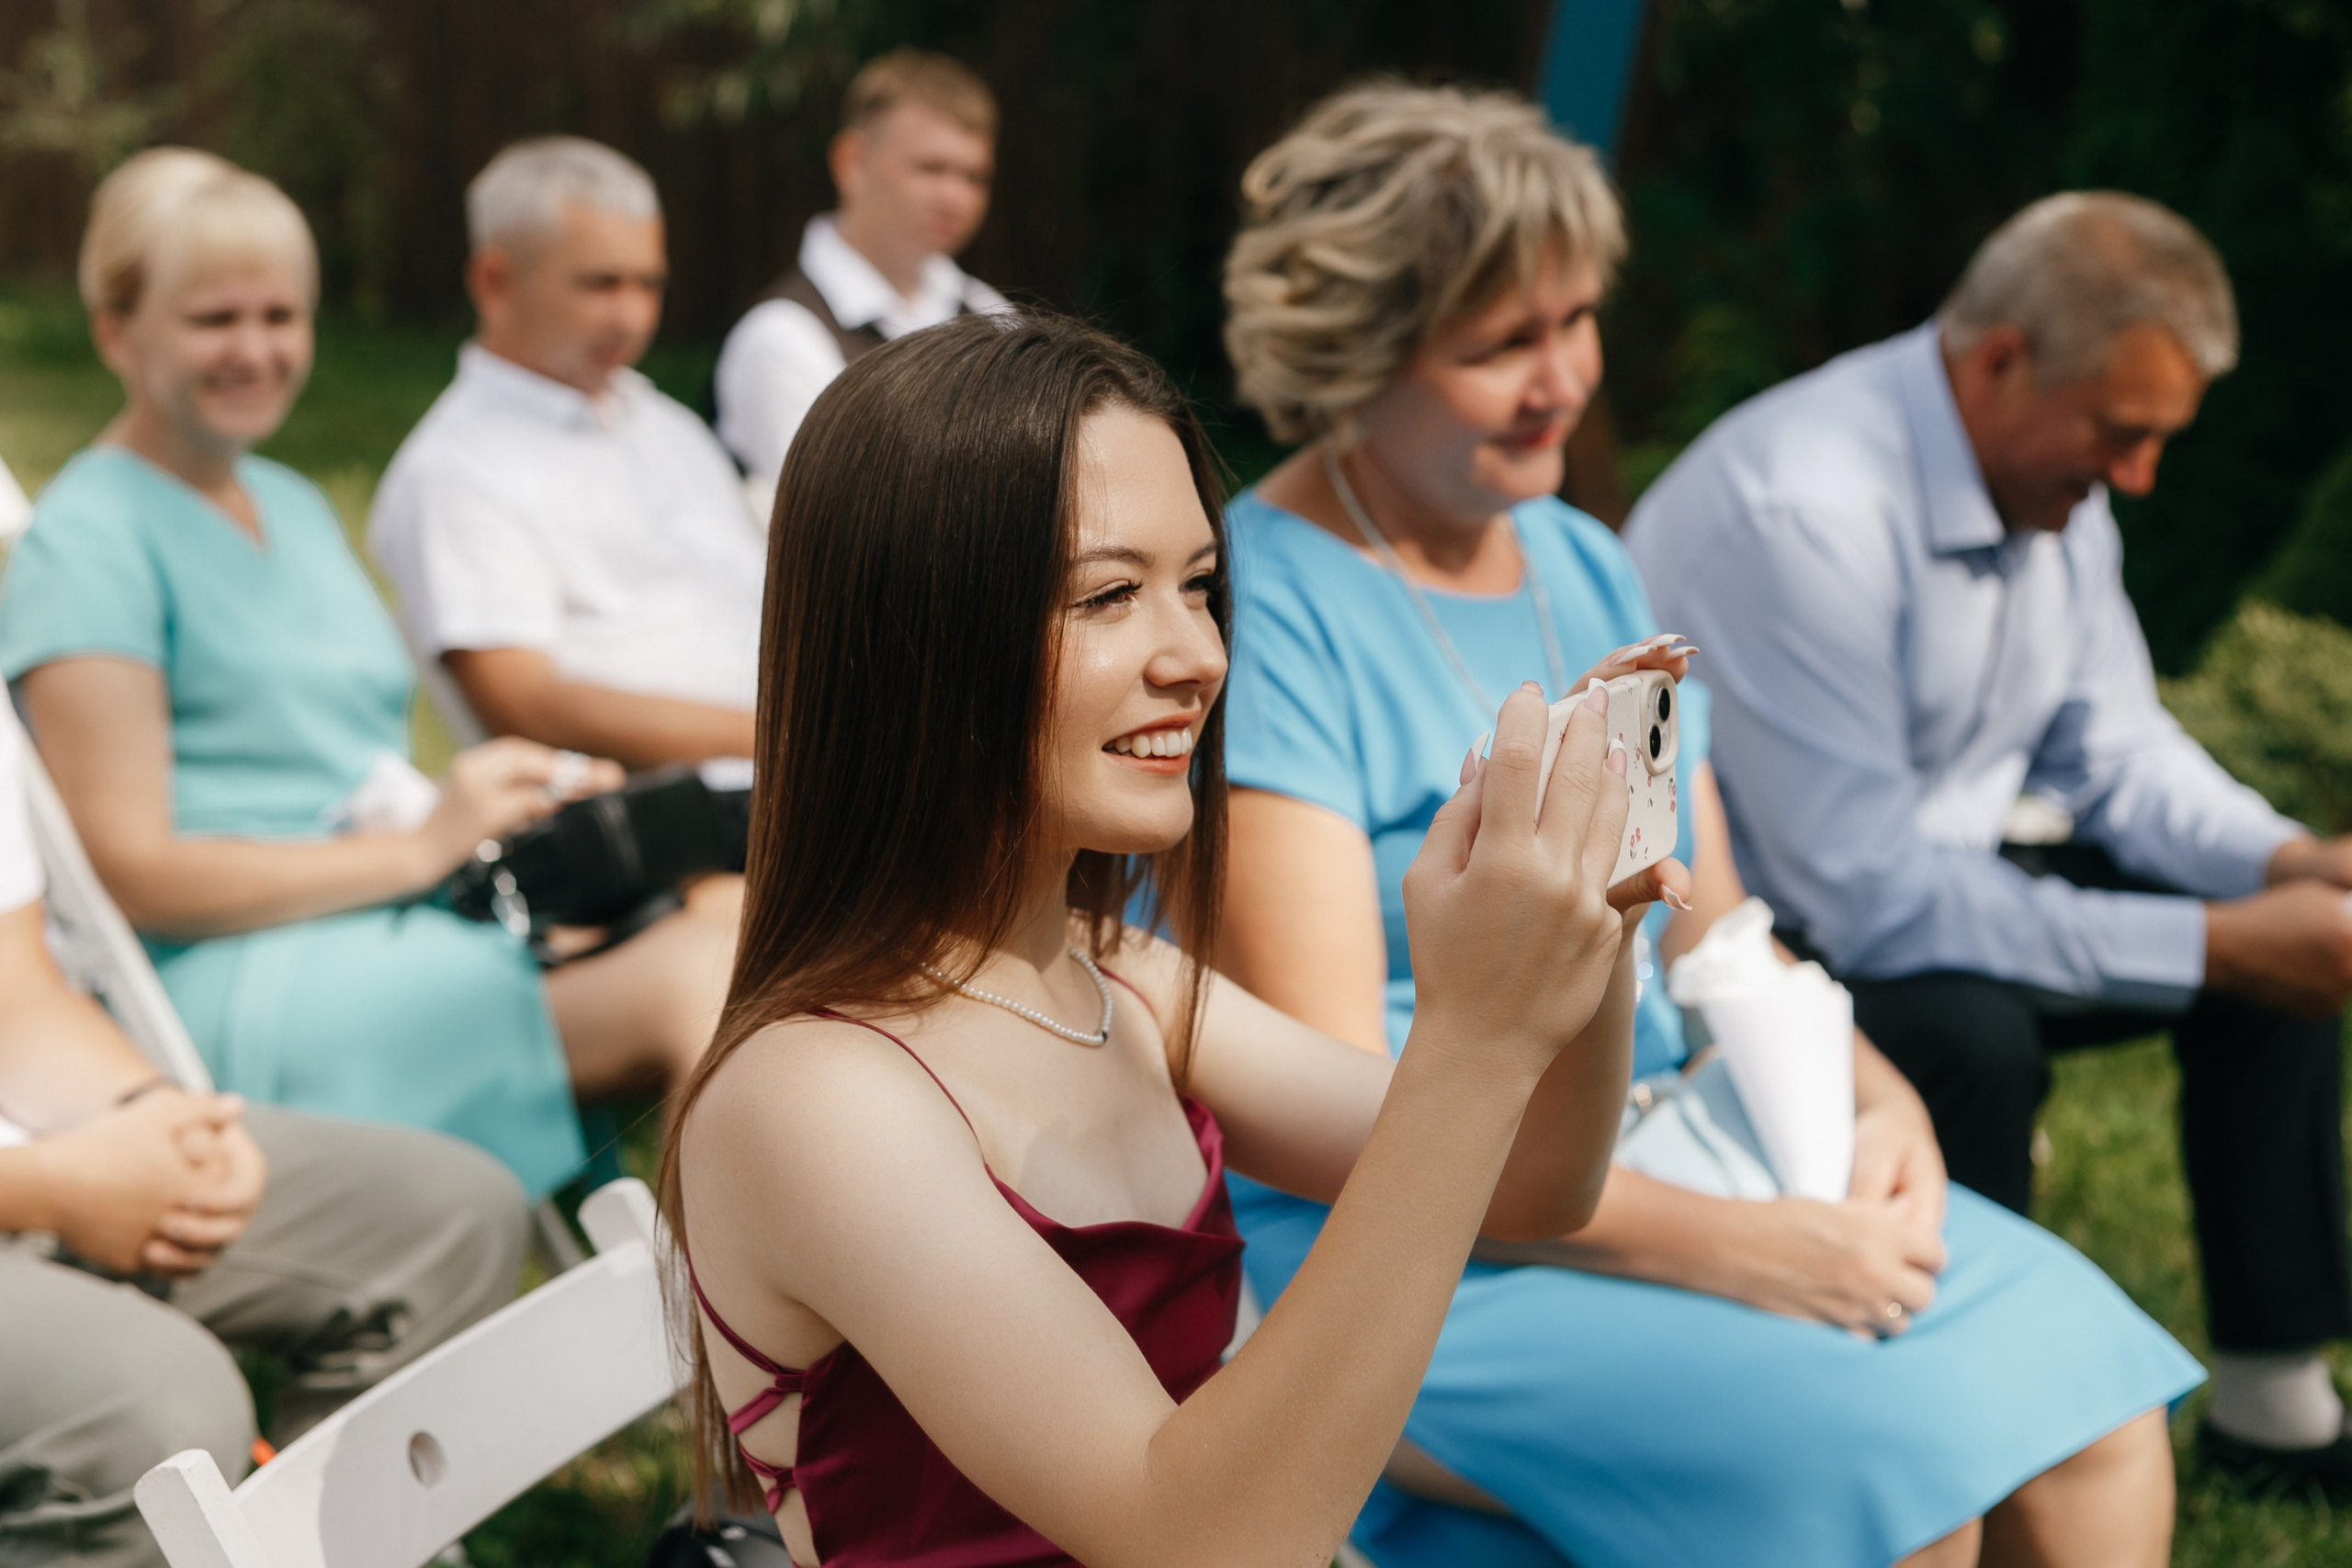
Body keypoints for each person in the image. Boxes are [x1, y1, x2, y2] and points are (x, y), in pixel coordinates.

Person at [1215, 84, 2196, 1568]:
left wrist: (1881, 1099)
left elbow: (1715, 920)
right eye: (1500, 347)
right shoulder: (1272, 605)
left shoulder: (1582, 559)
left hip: (1678, 1140)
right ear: (1353, 358)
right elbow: (1339, 1110)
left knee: (2096, 1407)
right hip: (1420, 1240)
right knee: (1905, 1473)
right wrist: (1740, 1252)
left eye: (1574, 322)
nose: (1563, 382)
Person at [666, 309, 1677, 1568]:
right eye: (1109, 595)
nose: (1196, 654)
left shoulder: (1120, 980)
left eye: (1200, 586)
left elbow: (1536, 1180)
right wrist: (1473, 1032)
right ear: (917, 643)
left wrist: (1596, 916)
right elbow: (1200, 1536)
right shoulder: (817, 1094)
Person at [1624, 190, 2352, 1495]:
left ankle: (2274, 1401)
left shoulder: (2051, 481)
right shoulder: (1807, 508)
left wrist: (2283, 866)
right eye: (2122, 436)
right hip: (1761, 930)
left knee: (2283, 964)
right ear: (2002, 356)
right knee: (1973, 1026)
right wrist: (2214, 940)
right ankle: (1970, 1396)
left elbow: (2115, 754)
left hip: (1941, 874)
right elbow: (1873, 901)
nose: (2139, 477)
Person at [0, 147, 736, 1199]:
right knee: (699, 978)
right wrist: (428, 845)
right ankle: (754, 1329)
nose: (255, 349)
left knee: (728, 911)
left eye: (279, 316)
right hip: (240, 979)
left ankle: (714, 1311)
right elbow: (134, 872)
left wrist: (473, 823)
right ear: (116, 330)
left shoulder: (291, 502)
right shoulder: (89, 541)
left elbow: (345, 768)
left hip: (395, 910)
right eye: (215, 320)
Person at [0, 711, 529, 1568]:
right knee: (157, 1409)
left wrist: (162, 1116)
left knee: (449, 1218)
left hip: (59, 1153)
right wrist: (52, 1184)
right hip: (38, 1177)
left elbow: (14, 989)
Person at [371, 137, 765, 770]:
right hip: (663, 827)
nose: (632, 316)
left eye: (649, 283)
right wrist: (787, 741)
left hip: (801, 788)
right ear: (493, 281)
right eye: (600, 283)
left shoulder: (665, 424)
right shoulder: (456, 471)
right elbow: (522, 701)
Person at [713, 49, 1007, 516]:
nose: (956, 197)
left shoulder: (990, 310)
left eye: (974, 177)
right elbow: (839, 525)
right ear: (852, 162)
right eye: (931, 168)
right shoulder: (780, 337)